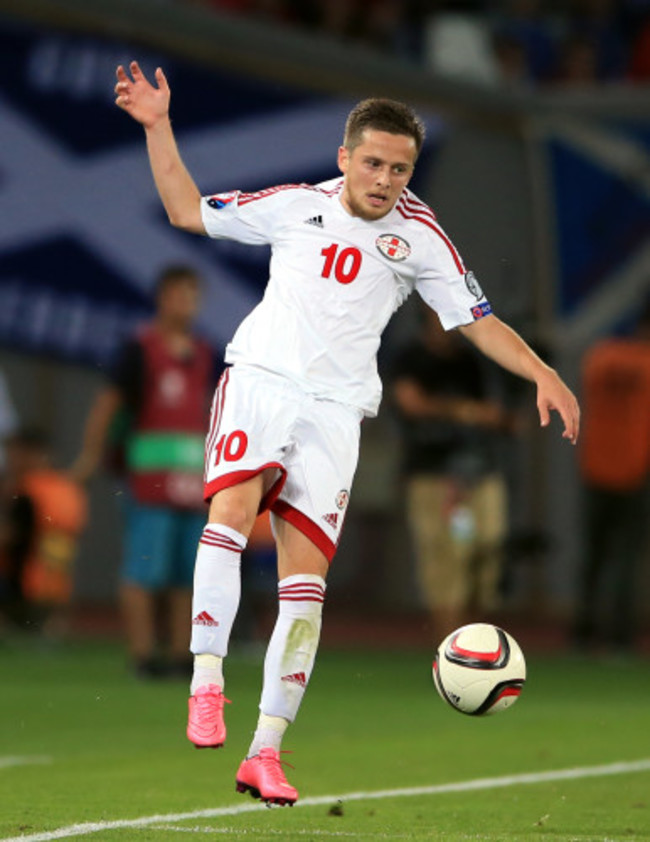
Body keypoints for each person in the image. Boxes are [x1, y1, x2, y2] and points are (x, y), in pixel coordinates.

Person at [113, 60, 580, 805]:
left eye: (400, 168)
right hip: (262, 382)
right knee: (230, 514)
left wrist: (541, 374)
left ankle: (264, 751)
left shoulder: (422, 237)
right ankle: (206, 682)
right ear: (344, 158)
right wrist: (157, 124)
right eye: (373, 162)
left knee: (306, 584)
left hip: (337, 412)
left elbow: (477, 321)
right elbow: (185, 209)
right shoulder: (294, 205)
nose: (386, 178)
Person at [72, 265, 218, 678]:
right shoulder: (140, 349)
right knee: (145, 567)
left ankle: (178, 655)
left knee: (188, 573)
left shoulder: (206, 353)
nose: (185, 303)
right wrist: (91, 454)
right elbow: (108, 406)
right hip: (150, 479)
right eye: (178, 294)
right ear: (161, 298)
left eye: (192, 294)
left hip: (193, 481)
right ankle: (142, 655)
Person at [391, 305, 516, 647]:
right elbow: (411, 404)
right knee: (445, 559)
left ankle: (476, 639)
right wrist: (463, 412)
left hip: (476, 476)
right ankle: (453, 649)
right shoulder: (411, 358)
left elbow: (498, 414)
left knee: (486, 546)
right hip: (433, 476)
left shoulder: (472, 361)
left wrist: (485, 417)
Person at [573, 306, 650, 652]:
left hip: (595, 468)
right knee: (625, 558)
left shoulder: (600, 356)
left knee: (593, 556)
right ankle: (619, 637)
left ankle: (583, 633)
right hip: (634, 472)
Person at [0, 428, 88, 637]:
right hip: (51, 587)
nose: (12, 460)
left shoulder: (32, 491)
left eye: (16, 453)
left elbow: (9, 536)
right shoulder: (63, 487)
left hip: (26, 583)